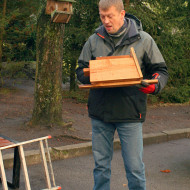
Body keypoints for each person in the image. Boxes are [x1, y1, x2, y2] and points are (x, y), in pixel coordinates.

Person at [76, 0, 168, 189]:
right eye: (102, 16)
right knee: (101, 167)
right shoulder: (94, 40)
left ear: (122, 14)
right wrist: (94, 75)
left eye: (110, 16)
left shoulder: (144, 40)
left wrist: (154, 85)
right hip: (100, 113)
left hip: (130, 112)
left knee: (134, 167)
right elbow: (80, 70)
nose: (106, 21)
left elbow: (160, 71)